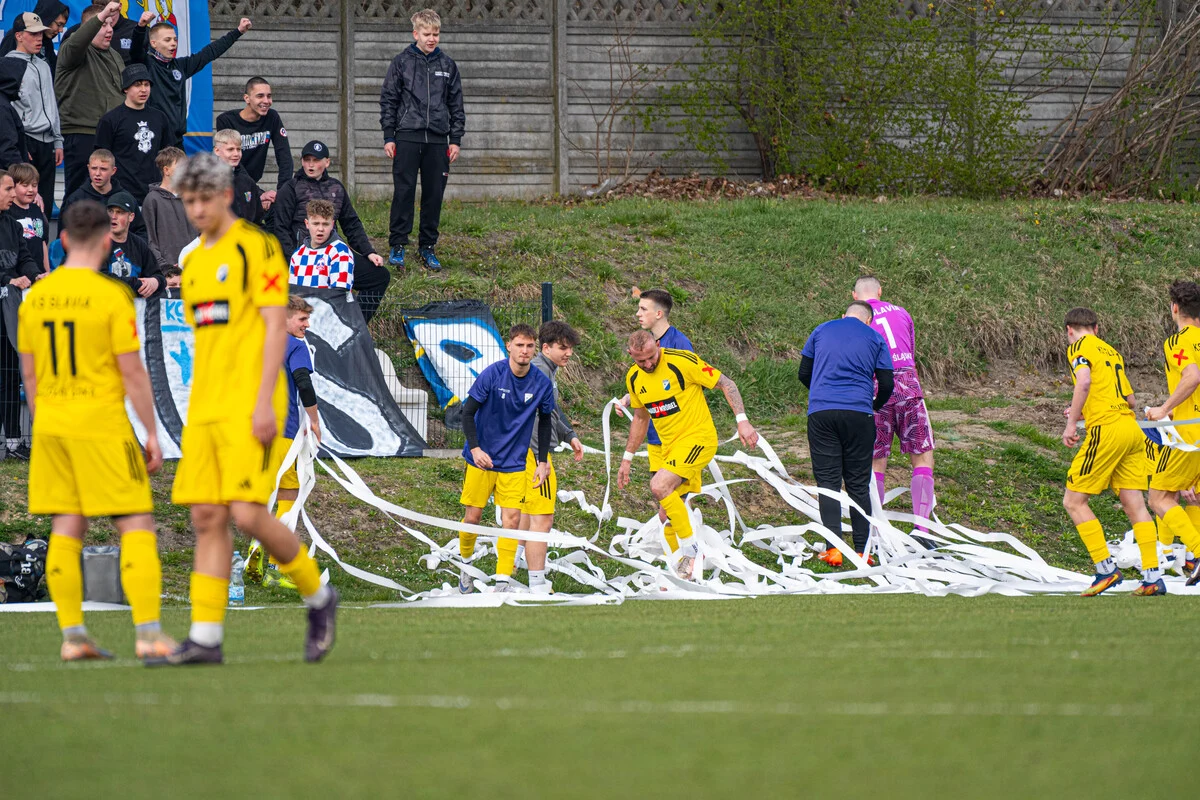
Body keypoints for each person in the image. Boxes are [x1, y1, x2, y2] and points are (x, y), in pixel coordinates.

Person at [146, 152, 337, 666]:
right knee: (207, 514)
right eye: (188, 201)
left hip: (252, 397)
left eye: (204, 199)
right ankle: (205, 639)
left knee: (249, 514)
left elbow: (276, 324)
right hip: (206, 402)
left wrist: (262, 402)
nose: (196, 209)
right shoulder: (194, 259)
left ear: (226, 195)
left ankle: (318, 595)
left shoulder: (258, 247)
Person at [18, 199, 174, 661]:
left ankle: (73, 637)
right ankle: (148, 635)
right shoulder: (111, 296)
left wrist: (46, 419)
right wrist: (151, 431)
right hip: (101, 422)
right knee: (136, 523)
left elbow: (29, 377)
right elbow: (132, 372)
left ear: (62, 240)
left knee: (67, 525)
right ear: (107, 241)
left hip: (51, 424)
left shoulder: (36, 297)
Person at [617, 331, 759, 580]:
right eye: (642, 361)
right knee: (667, 513)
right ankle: (679, 572)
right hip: (669, 448)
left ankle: (691, 552)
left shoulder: (682, 362)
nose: (649, 364)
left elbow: (726, 383)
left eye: (652, 356)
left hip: (698, 439)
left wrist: (742, 421)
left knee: (659, 485)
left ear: (658, 345)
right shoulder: (634, 378)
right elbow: (641, 418)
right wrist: (627, 457)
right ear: (631, 355)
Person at [1058, 308, 1162, 596]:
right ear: (1097, 327)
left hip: (1107, 430)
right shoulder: (1112, 352)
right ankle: (1152, 576)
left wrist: (1071, 423)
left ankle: (1106, 569)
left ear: (1070, 330)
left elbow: (1085, 381)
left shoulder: (1079, 347)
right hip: (1131, 430)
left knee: (1074, 501)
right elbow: (1129, 400)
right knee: (1135, 504)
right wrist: (1081, 408)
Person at [456, 324, 556, 589]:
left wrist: (542, 461)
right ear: (509, 346)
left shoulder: (542, 383)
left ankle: (502, 580)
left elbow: (545, 421)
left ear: (535, 349)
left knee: (511, 519)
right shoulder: (492, 374)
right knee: (473, 517)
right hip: (481, 458)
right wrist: (476, 449)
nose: (524, 351)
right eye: (519, 345)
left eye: (529, 346)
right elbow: (467, 413)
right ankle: (465, 565)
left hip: (514, 462)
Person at [797, 302, 894, 565]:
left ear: (844, 315)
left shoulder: (821, 330)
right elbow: (887, 382)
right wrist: (873, 404)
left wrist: (820, 391)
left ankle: (834, 549)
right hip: (859, 414)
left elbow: (804, 372)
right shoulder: (875, 337)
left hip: (822, 413)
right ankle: (863, 551)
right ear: (868, 320)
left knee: (828, 482)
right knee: (858, 484)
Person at [851, 276, 937, 546]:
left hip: (876, 386)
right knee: (922, 457)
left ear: (855, 296)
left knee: (875, 460)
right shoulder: (901, 312)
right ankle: (922, 530)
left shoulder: (856, 319)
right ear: (880, 291)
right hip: (907, 384)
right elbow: (910, 350)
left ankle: (874, 531)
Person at [245, 294, 321, 590]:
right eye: (302, 319)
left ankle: (256, 552)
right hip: (281, 431)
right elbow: (303, 382)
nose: (307, 324)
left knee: (264, 494)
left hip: (254, 429)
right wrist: (314, 420)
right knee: (290, 493)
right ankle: (272, 562)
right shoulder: (296, 346)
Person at [379, 8, 464, 271]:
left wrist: (455, 139)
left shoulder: (448, 65)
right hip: (407, 137)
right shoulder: (401, 62)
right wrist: (389, 136)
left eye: (436, 34)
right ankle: (397, 244)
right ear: (415, 33)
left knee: (434, 195)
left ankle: (427, 247)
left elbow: (456, 104)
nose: (432, 38)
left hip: (438, 141)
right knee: (403, 192)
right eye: (426, 33)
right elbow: (389, 100)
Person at [507, 321, 585, 595]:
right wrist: (542, 454)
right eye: (563, 348)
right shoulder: (538, 370)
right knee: (543, 518)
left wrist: (568, 434)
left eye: (570, 349)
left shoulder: (544, 371)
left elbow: (549, 411)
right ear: (546, 347)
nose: (568, 354)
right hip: (534, 453)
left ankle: (511, 569)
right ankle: (537, 584)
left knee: (527, 514)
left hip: (525, 451)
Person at [273, 140, 389, 319]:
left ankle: (354, 327)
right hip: (304, 255)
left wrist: (368, 251)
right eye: (307, 160)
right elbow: (280, 227)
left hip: (334, 253)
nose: (311, 165)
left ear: (327, 162)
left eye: (316, 160)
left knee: (379, 276)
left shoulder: (337, 187)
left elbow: (351, 223)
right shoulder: (290, 188)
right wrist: (292, 259)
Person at [616, 288, 694, 552]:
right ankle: (681, 558)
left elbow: (690, 387)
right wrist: (630, 398)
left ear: (659, 313)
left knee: (670, 507)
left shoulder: (680, 345)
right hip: (656, 440)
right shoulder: (645, 346)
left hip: (682, 441)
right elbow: (650, 386)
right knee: (667, 504)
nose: (637, 314)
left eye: (643, 309)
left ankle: (686, 559)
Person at [56, 3, 152, 199]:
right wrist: (100, 16)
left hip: (110, 135)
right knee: (78, 196)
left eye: (111, 24)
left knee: (108, 198)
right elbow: (78, 42)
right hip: (83, 134)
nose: (110, 30)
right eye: (103, 25)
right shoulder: (73, 50)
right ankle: (67, 231)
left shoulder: (113, 55)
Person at [1145, 280, 1200, 587]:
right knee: (1195, 498)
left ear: (1175, 308)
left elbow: (1192, 376)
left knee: (1160, 497)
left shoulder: (1178, 342)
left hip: (1191, 433)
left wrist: (1164, 408)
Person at [141, 18, 251, 149]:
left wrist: (238, 32)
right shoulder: (146, 65)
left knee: (182, 170)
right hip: (154, 140)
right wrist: (141, 26)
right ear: (153, 43)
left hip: (176, 141)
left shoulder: (180, 66)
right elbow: (135, 50)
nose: (173, 43)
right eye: (167, 40)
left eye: (175, 39)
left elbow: (209, 53)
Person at [0, 170, 40, 460]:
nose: (13, 194)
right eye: (8, 188)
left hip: (9, 313)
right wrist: (7, 280)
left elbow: (25, 258)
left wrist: (36, 275)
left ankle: (14, 443)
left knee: (11, 373)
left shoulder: (13, 225)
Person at [6, 12, 62, 209]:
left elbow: (51, 104)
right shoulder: (8, 65)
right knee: (23, 200)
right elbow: (7, 111)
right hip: (26, 140)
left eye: (40, 34)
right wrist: (19, 143)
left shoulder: (44, 65)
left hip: (47, 142)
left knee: (44, 201)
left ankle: (43, 240)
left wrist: (57, 140)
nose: (39, 39)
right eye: (33, 34)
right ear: (19, 36)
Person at [93, 64, 165, 204]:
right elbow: (101, 159)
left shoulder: (160, 118)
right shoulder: (110, 120)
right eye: (137, 85)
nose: (143, 89)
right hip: (121, 194)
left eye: (146, 84)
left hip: (155, 193)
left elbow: (167, 155)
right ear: (125, 88)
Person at [215, 76, 293, 205]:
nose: (266, 101)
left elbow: (284, 157)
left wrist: (282, 192)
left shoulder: (272, 117)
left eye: (269, 96)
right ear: (247, 98)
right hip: (230, 184)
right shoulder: (226, 120)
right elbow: (232, 164)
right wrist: (258, 193)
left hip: (252, 184)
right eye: (260, 96)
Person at [60, 148, 146, 239]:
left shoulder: (126, 198)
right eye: (94, 168)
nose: (97, 173)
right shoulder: (76, 199)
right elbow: (66, 234)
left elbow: (141, 232)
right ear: (88, 168)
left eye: (103, 169)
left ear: (113, 171)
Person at [142, 146, 195, 274]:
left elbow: (199, 236)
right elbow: (149, 240)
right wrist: (165, 267)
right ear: (166, 170)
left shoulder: (191, 197)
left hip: (193, 268)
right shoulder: (152, 200)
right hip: (166, 273)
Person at [103, 190, 160, 297]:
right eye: (110, 211)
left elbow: (158, 275)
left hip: (134, 310)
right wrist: (138, 285)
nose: (113, 216)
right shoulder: (98, 243)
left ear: (131, 217)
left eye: (120, 212)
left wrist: (154, 282)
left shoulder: (139, 244)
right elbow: (101, 277)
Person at [289, 199, 352, 290]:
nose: (320, 229)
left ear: (332, 224)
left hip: (332, 304)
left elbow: (340, 293)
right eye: (316, 224)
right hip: (303, 304)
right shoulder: (298, 254)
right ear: (307, 224)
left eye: (325, 224)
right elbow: (292, 292)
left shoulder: (340, 251)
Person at [1, 2, 71, 78]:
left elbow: (53, 73)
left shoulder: (47, 42)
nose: (61, 30)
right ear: (48, 18)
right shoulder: (14, 36)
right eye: (59, 24)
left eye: (63, 26)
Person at [212, 128, 262, 224]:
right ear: (217, 151)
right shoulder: (206, 181)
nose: (236, 154)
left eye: (238, 149)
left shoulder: (248, 182)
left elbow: (258, 220)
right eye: (230, 149)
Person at [7, 163, 48, 274]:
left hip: (38, 274)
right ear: (13, 186)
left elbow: (42, 243)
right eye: (25, 185)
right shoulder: (8, 213)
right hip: (18, 276)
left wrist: (47, 272)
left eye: (34, 185)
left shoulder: (37, 209)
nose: (31, 189)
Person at [0, 57, 27, 170]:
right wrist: (22, 173)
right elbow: (7, 146)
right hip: (7, 174)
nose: (22, 82)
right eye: (20, 77)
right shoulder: (3, 107)